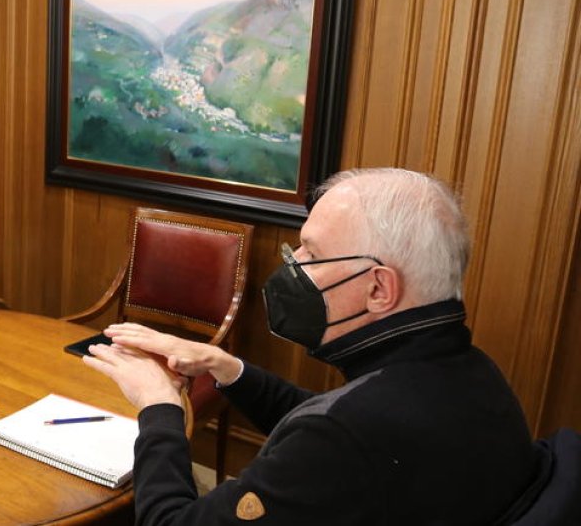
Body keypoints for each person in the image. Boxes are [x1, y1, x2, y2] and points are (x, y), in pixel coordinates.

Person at [84, 168, 542, 525]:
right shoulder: (470, 372)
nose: (294, 265)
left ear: (379, 288)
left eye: (313, 254)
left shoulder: (347, 436)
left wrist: (159, 406)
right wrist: (226, 367)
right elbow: (325, 416)